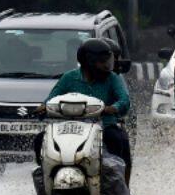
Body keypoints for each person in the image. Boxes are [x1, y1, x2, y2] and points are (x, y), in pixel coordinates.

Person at [35, 39, 133, 185]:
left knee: (119, 140)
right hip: (68, 129)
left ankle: (121, 184)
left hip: (104, 126)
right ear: (90, 62)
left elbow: (124, 100)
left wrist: (113, 108)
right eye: (103, 61)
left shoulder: (112, 78)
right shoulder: (69, 78)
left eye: (107, 60)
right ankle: (45, 179)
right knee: (40, 140)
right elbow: (51, 98)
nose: (107, 65)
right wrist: (43, 107)